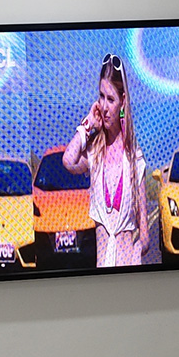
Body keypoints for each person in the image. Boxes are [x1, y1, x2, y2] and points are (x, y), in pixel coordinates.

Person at [62, 53, 148, 267]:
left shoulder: (135, 159)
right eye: (101, 97)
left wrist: (137, 251)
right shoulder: (95, 152)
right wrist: (88, 124)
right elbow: (68, 161)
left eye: (111, 99)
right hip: (102, 273)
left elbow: (145, 235)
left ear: (123, 101)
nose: (105, 106)